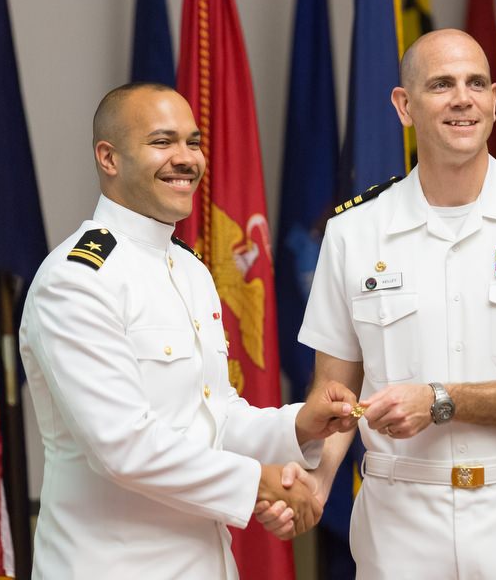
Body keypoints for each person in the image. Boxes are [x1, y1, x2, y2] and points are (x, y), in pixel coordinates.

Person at [262, 29, 496, 578]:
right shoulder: (354, 231)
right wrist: (317, 479)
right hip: (398, 527)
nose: (463, 98)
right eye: (441, 84)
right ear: (404, 106)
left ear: (493, 100)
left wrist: (442, 399)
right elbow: (335, 394)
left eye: (476, 83)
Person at [19, 82, 358, 579]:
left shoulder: (190, 270)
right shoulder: (75, 280)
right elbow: (124, 447)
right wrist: (260, 483)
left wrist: (298, 425)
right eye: (162, 142)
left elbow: (212, 419)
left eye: (193, 142)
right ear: (108, 158)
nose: (186, 158)